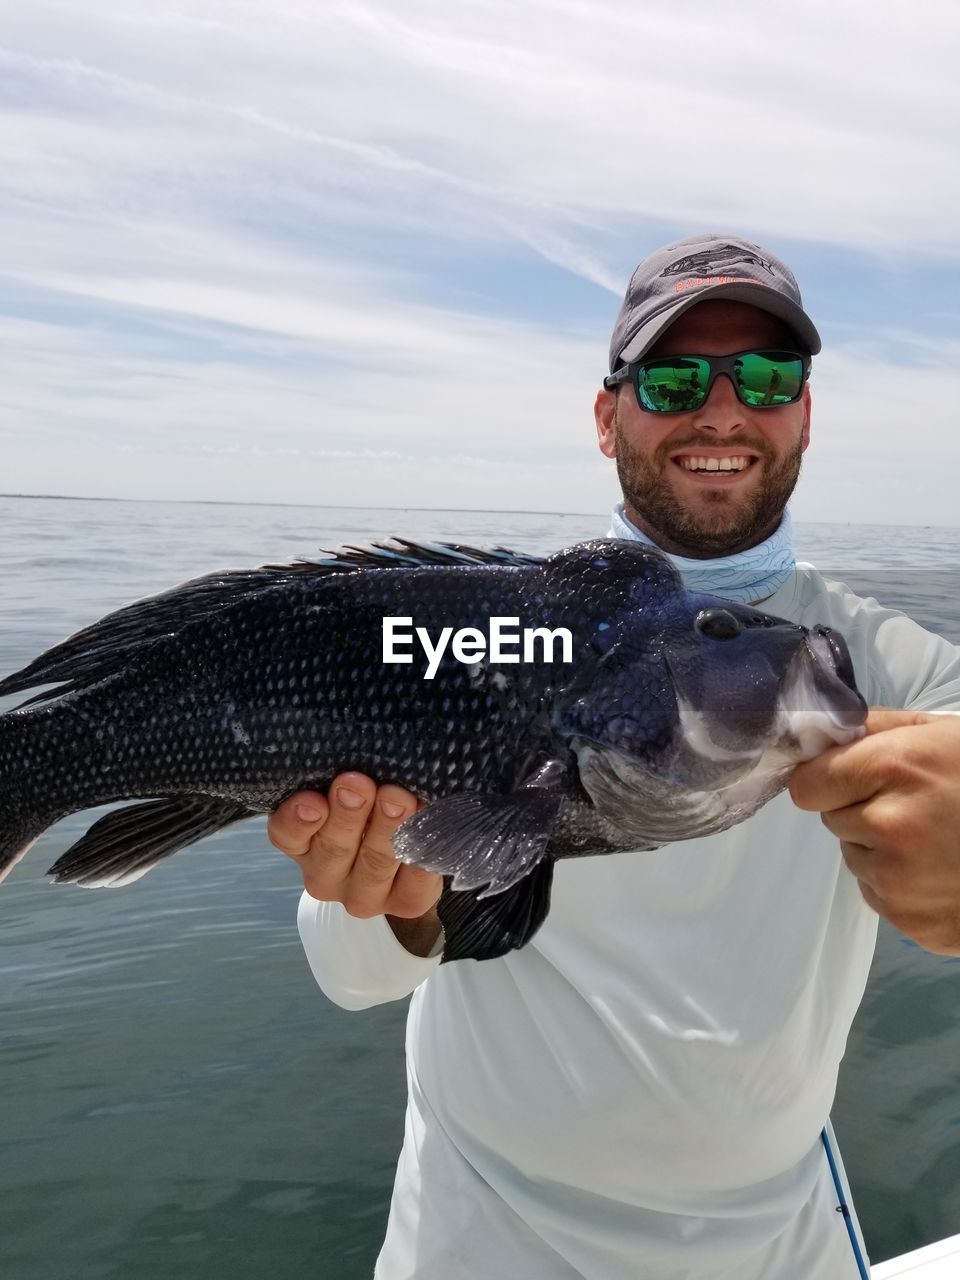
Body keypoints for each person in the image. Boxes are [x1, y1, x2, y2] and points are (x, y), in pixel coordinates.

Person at [268, 234, 960, 1279]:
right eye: (675, 377)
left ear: (805, 412)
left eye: (768, 377)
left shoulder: (895, 669)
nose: (723, 410)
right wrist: (399, 898)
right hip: (478, 1230)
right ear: (608, 417)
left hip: (774, 1242)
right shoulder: (481, 633)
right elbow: (348, 971)